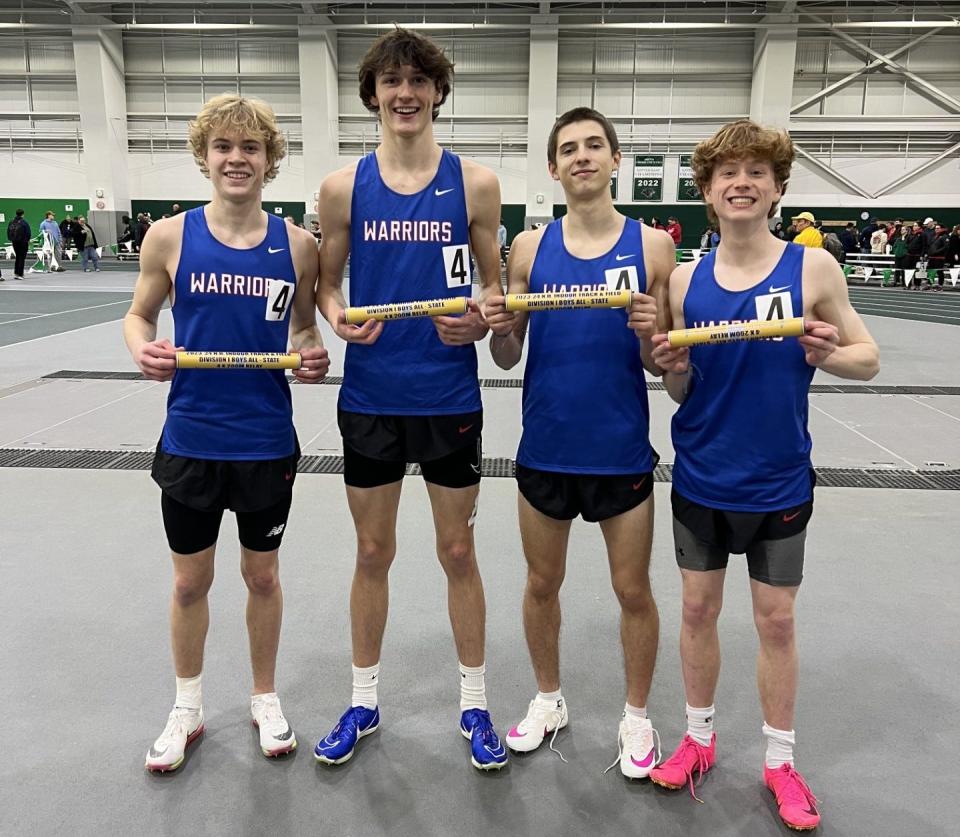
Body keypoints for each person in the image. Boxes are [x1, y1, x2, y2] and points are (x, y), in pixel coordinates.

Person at [648, 119, 879, 832]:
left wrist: (824, 352)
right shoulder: (686, 280)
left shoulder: (812, 270)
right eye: (727, 172)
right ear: (708, 192)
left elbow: (866, 357)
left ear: (778, 187)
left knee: (776, 621)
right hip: (701, 477)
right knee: (695, 611)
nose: (741, 181)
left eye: (756, 171)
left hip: (779, 479)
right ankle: (698, 737)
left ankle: (780, 761)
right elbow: (680, 389)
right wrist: (674, 370)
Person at [314, 28, 510, 771]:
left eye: (418, 81)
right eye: (391, 81)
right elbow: (327, 284)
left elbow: (491, 284)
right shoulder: (342, 188)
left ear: (437, 93)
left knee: (458, 549)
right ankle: (363, 698)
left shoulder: (476, 184)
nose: (405, 93)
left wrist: (480, 312)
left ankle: (474, 700)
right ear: (373, 95)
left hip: (447, 392)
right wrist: (335, 316)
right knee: (372, 549)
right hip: (370, 396)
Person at [123, 93, 330, 773]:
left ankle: (264, 696)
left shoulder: (297, 245)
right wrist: (141, 348)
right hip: (191, 440)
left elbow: (302, 328)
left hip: (266, 441)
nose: (236, 158)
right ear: (204, 157)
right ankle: (187, 705)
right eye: (223, 147)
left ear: (270, 160)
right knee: (189, 583)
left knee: (262, 575)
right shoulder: (170, 237)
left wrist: (312, 352)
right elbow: (139, 316)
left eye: (250, 147)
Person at [482, 107, 675, 777]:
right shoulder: (530, 249)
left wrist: (656, 334)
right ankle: (548, 698)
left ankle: (638, 715)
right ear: (553, 167)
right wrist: (500, 327)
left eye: (595, 145)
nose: (583, 156)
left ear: (616, 160)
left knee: (634, 591)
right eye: (569, 148)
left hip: (620, 449)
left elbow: (662, 362)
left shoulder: (653, 247)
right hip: (546, 449)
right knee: (541, 583)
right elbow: (508, 355)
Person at [6, 208, 31, 280]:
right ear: (23, 214)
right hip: (23, 242)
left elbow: (8, 231)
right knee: (21, 258)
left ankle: (16, 273)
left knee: (17, 257)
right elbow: (28, 233)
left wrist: (12, 239)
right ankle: (20, 274)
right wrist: (27, 241)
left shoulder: (11, 222)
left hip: (14, 242)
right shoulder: (24, 222)